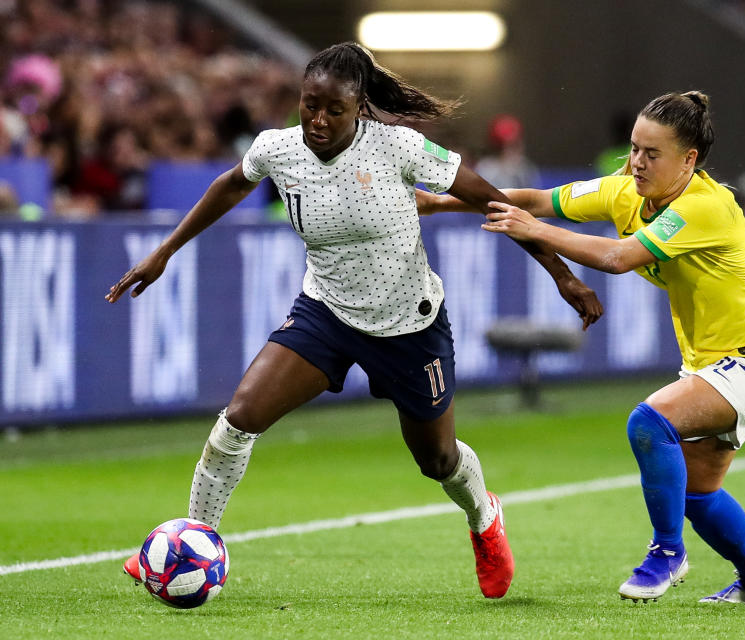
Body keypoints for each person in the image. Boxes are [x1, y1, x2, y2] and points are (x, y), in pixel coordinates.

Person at [105, 42, 602, 599]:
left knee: (437, 460)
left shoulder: (400, 148)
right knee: (237, 421)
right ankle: (191, 543)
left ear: (359, 106)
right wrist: (165, 251)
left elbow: (494, 202)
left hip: (410, 327)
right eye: (308, 105)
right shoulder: (278, 148)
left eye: (333, 109)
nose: (317, 120)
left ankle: (485, 519)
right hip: (326, 314)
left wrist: (562, 275)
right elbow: (230, 184)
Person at [418, 91, 745, 604]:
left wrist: (540, 234)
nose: (636, 163)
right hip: (718, 363)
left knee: (650, 422)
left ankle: (668, 553)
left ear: (689, 160)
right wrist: (440, 201)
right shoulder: (628, 191)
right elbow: (535, 199)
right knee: (695, 491)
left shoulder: (706, 206)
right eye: (634, 148)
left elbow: (620, 256)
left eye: (652, 154)